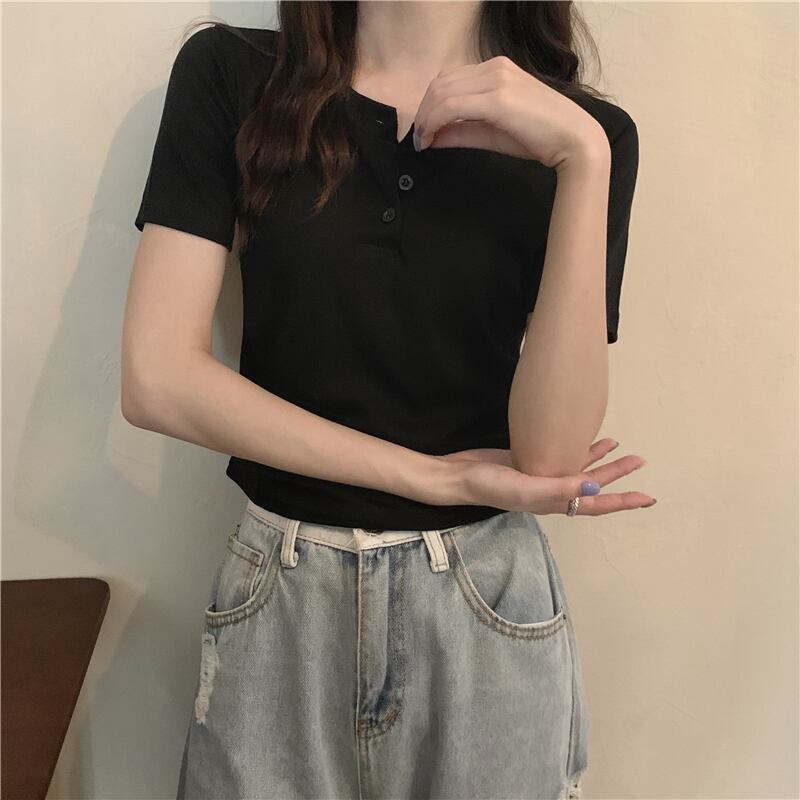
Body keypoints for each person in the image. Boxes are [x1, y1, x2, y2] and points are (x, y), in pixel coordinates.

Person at [122, 3, 652, 798]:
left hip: (485, 602)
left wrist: (581, 160)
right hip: (283, 594)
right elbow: (157, 377)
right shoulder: (236, 77)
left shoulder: (587, 133)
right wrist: (435, 477)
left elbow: (550, 457)